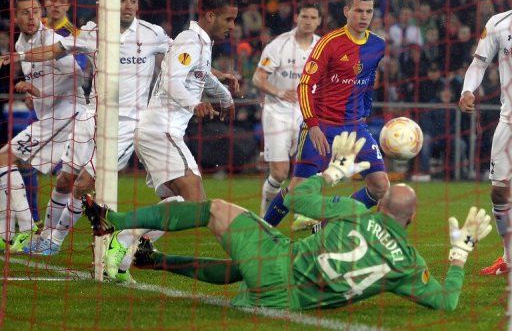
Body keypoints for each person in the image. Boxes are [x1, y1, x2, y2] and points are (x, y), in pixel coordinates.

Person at [82, 132, 492, 310]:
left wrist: (334, 172)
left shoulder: (351, 210)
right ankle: (155, 261)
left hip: (279, 262)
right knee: (245, 267)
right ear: (413, 219)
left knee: (215, 210)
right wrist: (459, 254)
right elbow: (447, 301)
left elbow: (294, 196)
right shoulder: (410, 264)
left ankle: (114, 220)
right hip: (288, 300)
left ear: (379, 205)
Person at [2, 0, 170, 273]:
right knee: (65, 180)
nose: (128, 5)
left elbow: (185, 59)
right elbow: (55, 51)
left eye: (133, 0)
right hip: (89, 117)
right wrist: (21, 60)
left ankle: (51, 238)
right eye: (121, 0)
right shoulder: (93, 32)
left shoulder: (152, 34)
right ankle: (40, 235)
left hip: (122, 124)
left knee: (83, 184)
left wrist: (208, 85)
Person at [101, 0, 237, 281]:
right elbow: (173, 82)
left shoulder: (202, 42)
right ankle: (124, 238)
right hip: (160, 130)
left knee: (182, 206)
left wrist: (226, 97)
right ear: (210, 15)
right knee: (194, 203)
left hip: (159, 132)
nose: (232, 26)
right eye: (228, 19)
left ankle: (123, 260)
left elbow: (203, 76)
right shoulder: (190, 40)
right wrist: (194, 103)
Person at [264, 0, 389, 229]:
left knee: (380, 185)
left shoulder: (377, 45)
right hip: (322, 125)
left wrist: (365, 110)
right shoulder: (329, 43)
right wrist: (312, 125)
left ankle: (327, 226)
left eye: (369, 12)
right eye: (358, 11)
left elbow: (369, 78)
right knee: (296, 192)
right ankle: (262, 232)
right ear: (346, 11)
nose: (364, 17)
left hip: (354, 127)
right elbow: (304, 85)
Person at [0, 0, 85, 252]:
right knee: (67, 179)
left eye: (36, 11)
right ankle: (21, 232)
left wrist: (44, 92)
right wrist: (30, 89)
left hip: (69, 112)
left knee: (5, 158)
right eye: (25, 12)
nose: (31, 17)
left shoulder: (50, 39)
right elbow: (40, 80)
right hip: (52, 116)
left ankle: (24, 229)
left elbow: (77, 76)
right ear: (15, 17)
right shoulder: (20, 45)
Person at [251, 3, 321, 224]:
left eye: (313, 17)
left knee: (308, 173)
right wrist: (280, 92)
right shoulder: (279, 45)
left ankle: (304, 219)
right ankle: (265, 212)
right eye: (304, 16)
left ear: (319, 21)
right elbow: (258, 78)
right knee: (280, 173)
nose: (308, 20)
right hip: (277, 113)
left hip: (307, 116)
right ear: (296, 17)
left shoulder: (322, 46)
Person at [458, 8, 512, 275]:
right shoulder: (499, 23)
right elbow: (478, 64)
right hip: (509, 122)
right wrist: (467, 90)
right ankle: (509, 258)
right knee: (499, 192)